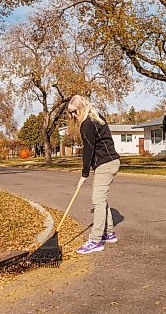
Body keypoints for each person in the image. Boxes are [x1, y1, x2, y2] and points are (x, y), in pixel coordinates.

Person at [67, 95, 120, 254]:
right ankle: (109, 232)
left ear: (81, 107)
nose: (73, 116)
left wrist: (84, 173)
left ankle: (96, 240)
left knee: (97, 200)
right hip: (109, 162)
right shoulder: (96, 117)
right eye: (71, 114)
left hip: (105, 163)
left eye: (74, 112)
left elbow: (88, 150)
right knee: (101, 199)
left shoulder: (87, 124)